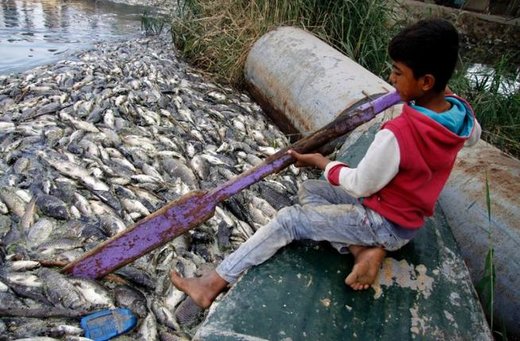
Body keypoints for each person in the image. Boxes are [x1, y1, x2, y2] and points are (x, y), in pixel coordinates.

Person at [171, 18, 482, 308]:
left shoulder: (399, 133)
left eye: (398, 72)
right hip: (404, 219)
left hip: (382, 221)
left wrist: (324, 163)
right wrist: (441, 94)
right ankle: (363, 252)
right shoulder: (461, 118)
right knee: (312, 191)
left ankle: (212, 283)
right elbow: (472, 136)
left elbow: (361, 184)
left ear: (426, 81)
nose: (391, 78)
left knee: (290, 220)